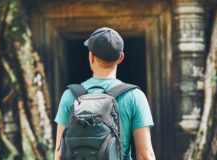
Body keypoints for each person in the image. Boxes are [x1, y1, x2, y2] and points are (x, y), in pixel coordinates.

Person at [54, 27, 155, 160]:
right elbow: (145, 155)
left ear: (91, 57)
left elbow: (59, 154)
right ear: (121, 58)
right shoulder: (135, 96)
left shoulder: (70, 95)